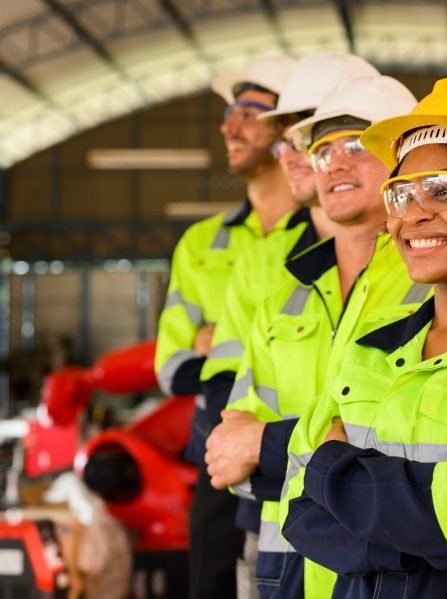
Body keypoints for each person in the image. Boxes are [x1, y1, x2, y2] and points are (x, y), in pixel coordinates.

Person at [281, 77, 447, 598]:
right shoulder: (369, 347)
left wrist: (330, 467)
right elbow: (298, 513)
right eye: (402, 193)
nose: (414, 214)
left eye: (445, 190)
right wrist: (431, 508)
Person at [205, 74, 429, 598]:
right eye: (322, 150)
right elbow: (229, 453)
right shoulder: (289, 289)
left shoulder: (433, 283)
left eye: (357, 143)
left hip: (391, 561)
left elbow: (419, 447)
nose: (336, 163)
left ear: (404, 162)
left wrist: (269, 444)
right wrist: (291, 447)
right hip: (287, 555)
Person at [154, 54, 297, 599]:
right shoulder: (200, 244)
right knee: (213, 578)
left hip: (296, 442)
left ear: (290, 129)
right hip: (216, 442)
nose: (228, 125)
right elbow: (172, 364)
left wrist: (220, 343)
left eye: (249, 110)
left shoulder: (333, 239)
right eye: (228, 112)